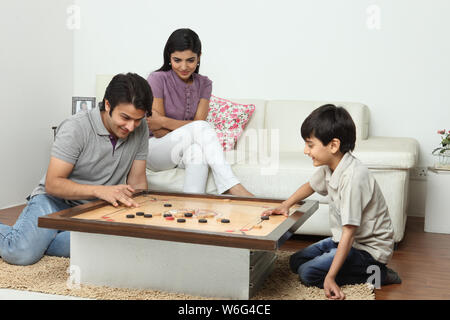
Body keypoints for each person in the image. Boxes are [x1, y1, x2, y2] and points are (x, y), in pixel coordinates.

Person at [0, 73, 153, 266]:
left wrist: (142, 215)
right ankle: (33, 236)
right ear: (107, 105)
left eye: (138, 119)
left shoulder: (140, 127)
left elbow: (137, 181)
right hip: (54, 202)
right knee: (20, 253)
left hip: (95, 208)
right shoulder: (76, 128)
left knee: (113, 245)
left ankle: (42, 236)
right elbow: (53, 184)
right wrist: (99, 190)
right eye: (125, 117)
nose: (131, 126)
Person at [262, 104, 401, 300]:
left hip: (368, 251)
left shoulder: (354, 177)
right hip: (346, 241)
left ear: (333, 145)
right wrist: (286, 204)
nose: (305, 150)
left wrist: (331, 277)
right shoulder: (332, 166)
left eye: (310, 145)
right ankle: (345, 266)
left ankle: (379, 273)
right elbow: (310, 185)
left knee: (308, 273)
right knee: (295, 262)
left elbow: (349, 233)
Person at [146, 28, 253, 196]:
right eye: (177, 60)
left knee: (198, 153)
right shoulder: (157, 79)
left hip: (184, 148)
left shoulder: (205, 84)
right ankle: (232, 185)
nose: (183, 66)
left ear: (199, 57)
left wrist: (164, 121)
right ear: (169, 57)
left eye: (190, 60)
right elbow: (158, 132)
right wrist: (187, 128)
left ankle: (192, 208)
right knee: (202, 128)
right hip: (156, 150)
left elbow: (172, 124)